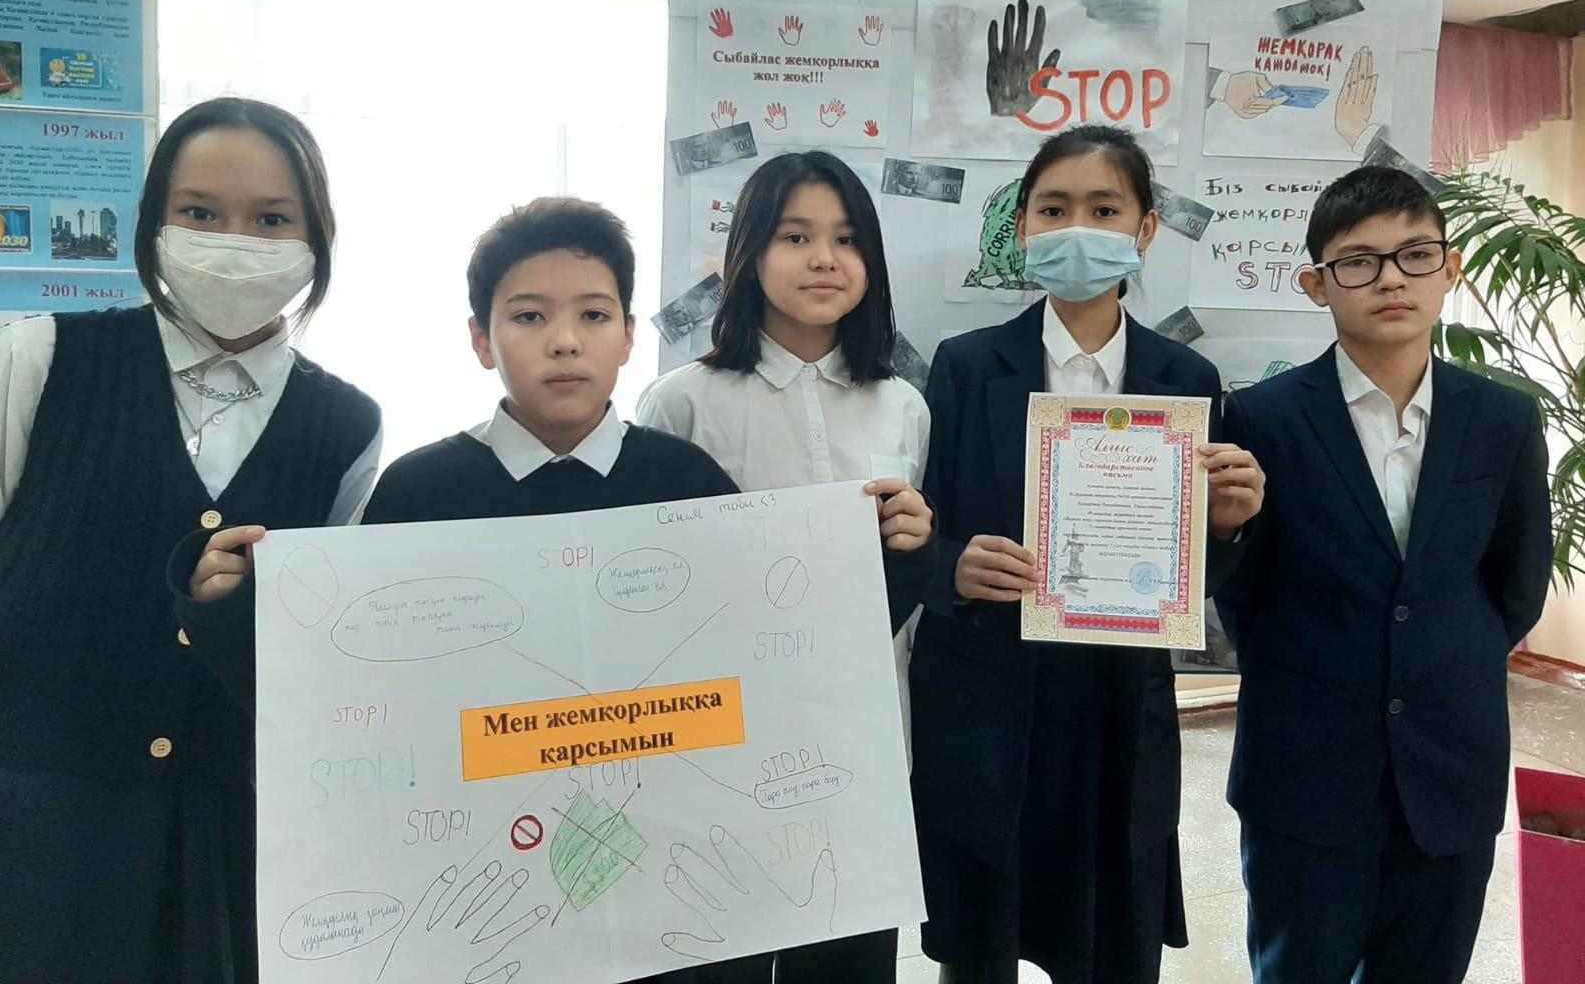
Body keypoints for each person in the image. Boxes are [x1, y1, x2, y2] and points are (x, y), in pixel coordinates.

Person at [177, 195, 769, 984]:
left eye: (594, 315)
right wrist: (228, 611)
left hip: (669, 890)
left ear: (630, 335)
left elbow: (768, 655)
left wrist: (887, 559)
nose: (565, 340)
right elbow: (344, 691)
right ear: (481, 340)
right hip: (479, 886)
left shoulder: (687, 482)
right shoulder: (419, 492)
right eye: (529, 316)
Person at [0, 97, 382, 982]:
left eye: (271, 219)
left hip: (219, 837)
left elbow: (319, 654)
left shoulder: (348, 425)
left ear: (316, 237)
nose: (234, 241)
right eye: (200, 212)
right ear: (153, 221)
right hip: (31, 822)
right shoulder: (37, 357)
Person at [912, 124, 1264, 984]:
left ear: (1145, 229)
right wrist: (953, 566)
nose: (1078, 228)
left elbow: (1200, 581)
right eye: (1053, 209)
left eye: (1104, 210)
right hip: (989, 694)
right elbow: (923, 530)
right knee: (980, 938)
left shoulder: (1186, 381)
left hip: (1116, 701)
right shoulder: (965, 367)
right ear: (1022, 228)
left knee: (1110, 929)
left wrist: (1225, 526)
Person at [1217, 165, 1553, 984]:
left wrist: (1440, 658)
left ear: (1451, 268)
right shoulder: (1260, 417)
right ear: (1317, 284)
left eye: (1415, 255)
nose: (1392, 279)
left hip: (1452, 764)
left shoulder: (1504, 418)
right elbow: (1243, 592)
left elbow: (1515, 586)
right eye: (1359, 262)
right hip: (1305, 770)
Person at [638, 150, 937, 984]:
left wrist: (920, 538)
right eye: (796, 236)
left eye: (846, 239)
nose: (823, 260)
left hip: (861, 733)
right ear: (749, 253)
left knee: (846, 958)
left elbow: (910, 581)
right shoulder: (682, 401)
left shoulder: (903, 405)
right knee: (714, 949)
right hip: (716, 738)